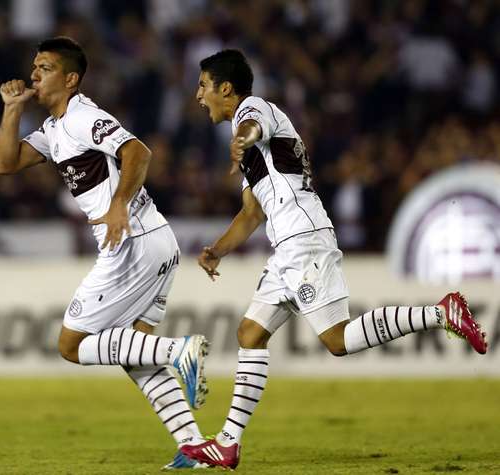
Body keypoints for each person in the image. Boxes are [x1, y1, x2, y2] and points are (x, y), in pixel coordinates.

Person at [179, 49, 489, 469]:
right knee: (250, 333)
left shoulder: (251, 111)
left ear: (226, 88)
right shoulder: (255, 157)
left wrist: (242, 139)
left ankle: (441, 313)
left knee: (337, 341)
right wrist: (217, 249)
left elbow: (253, 126)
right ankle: (229, 443)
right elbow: (251, 213)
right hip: (286, 246)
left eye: (203, 86)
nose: (199, 96)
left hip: (304, 241)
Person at [0, 37, 209, 469]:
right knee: (133, 355)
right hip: (156, 242)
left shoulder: (82, 117)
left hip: (131, 244)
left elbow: (137, 151)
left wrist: (117, 205)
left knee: (72, 345)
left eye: (46, 67)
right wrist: (12, 109)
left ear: (70, 79)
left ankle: (178, 351)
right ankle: (195, 447)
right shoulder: (54, 130)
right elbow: (6, 163)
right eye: (34, 65)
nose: (35, 72)